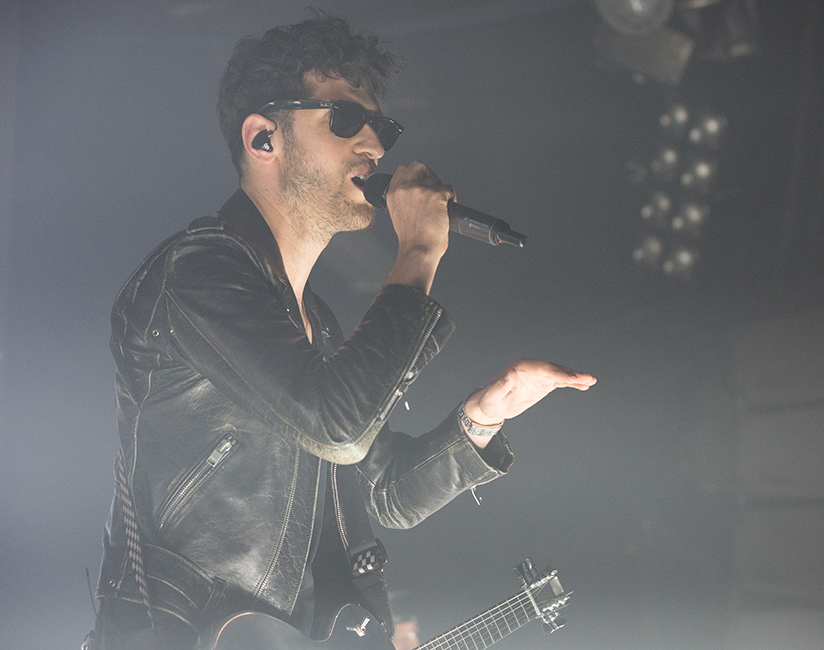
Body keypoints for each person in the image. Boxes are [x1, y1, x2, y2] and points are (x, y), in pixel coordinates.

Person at [84, 14, 595, 650]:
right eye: (345, 120)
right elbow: (337, 427)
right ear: (263, 138)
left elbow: (383, 492)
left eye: (382, 126)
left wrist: (483, 417)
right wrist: (419, 253)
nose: (376, 147)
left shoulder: (314, 324)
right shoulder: (195, 277)